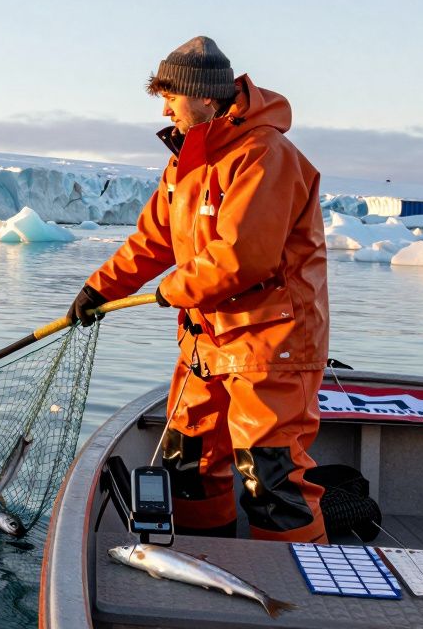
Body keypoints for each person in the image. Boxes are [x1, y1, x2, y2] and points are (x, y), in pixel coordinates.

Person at [67, 36, 329, 543]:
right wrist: (98, 290)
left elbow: (244, 255)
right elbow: (153, 241)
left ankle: (292, 584)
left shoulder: (263, 154)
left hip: (269, 345)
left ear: (206, 96)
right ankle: (201, 564)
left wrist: (173, 289)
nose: (164, 110)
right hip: (204, 343)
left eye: (171, 97)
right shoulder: (186, 162)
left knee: (271, 477)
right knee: (187, 463)